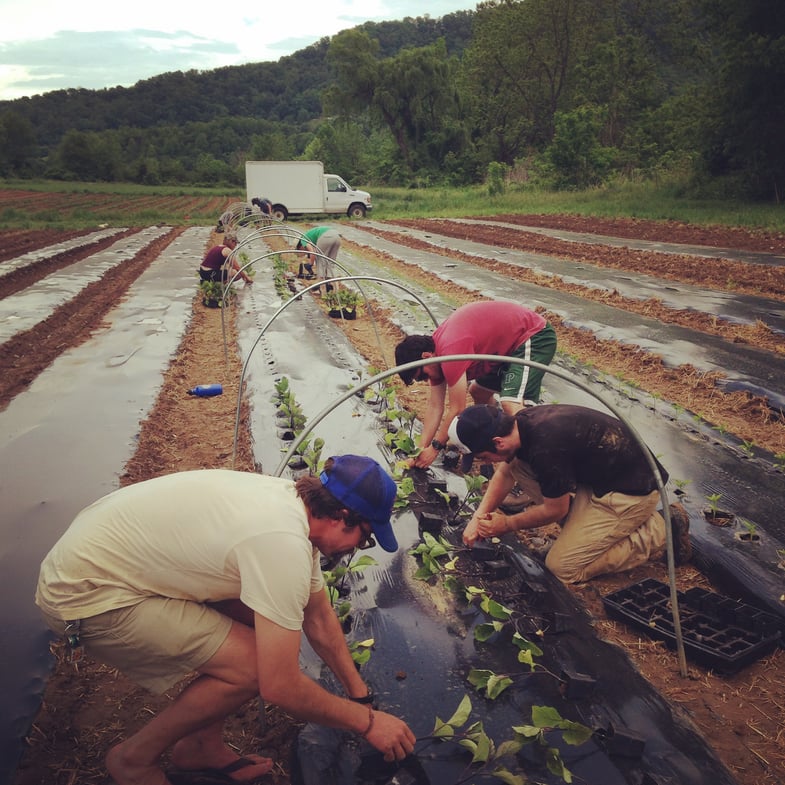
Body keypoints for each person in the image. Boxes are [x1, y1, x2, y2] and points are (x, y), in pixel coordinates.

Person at [35, 457, 416, 785]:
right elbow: (279, 687)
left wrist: (359, 695)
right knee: (254, 666)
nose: (358, 550)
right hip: (88, 593)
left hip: (103, 560)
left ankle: (200, 747)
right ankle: (133, 760)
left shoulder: (295, 508)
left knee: (260, 622)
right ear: (343, 517)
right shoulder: (281, 542)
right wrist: (366, 724)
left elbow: (316, 615)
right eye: (365, 539)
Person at [447, 404, 692, 584]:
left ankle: (661, 528)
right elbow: (504, 474)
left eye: (483, 457)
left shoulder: (546, 447)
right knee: (516, 465)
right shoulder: (521, 423)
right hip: (600, 481)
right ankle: (585, 531)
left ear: (498, 441)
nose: (484, 463)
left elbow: (556, 510)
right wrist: (478, 519)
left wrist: (506, 524)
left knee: (562, 567)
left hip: (631, 492)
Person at [394, 301, 557, 470]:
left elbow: (457, 408)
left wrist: (435, 448)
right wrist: (419, 451)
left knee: (511, 403)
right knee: (478, 392)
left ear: (427, 356)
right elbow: (435, 407)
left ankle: (538, 466)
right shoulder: (436, 359)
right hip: (502, 347)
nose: (427, 381)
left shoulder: (451, 351)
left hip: (532, 335)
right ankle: (488, 441)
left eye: (422, 376)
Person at [295, 226, 342, 293]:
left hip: (325, 236)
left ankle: (323, 293)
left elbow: (312, 252)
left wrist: (311, 264)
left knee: (320, 264)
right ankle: (336, 291)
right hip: (337, 236)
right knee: (331, 264)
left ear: (299, 247)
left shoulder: (303, 240)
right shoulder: (310, 237)